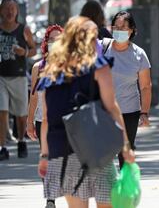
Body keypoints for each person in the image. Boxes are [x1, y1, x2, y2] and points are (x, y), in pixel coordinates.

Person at [36, 16, 135, 208]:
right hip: (96, 145)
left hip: (62, 149)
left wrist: (44, 156)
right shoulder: (98, 66)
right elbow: (112, 107)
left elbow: (46, 118)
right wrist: (125, 145)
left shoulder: (50, 73)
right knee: (107, 204)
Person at [104, 11, 151, 169]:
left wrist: (144, 112)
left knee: (126, 154)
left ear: (132, 30)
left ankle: (124, 190)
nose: (119, 30)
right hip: (105, 110)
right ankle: (108, 189)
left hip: (129, 112)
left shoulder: (139, 54)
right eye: (116, 27)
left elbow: (145, 86)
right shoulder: (102, 48)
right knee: (105, 154)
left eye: (123, 27)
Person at [26, 24, 63, 208]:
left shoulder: (70, 65)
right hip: (43, 121)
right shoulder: (37, 67)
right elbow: (33, 96)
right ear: (45, 43)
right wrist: (29, 121)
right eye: (51, 40)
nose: (54, 43)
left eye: (58, 40)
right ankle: (50, 199)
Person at [0, 0, 36, 160]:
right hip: (1, 77)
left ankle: (21, 140)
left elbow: (34, 49)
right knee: (2, 111)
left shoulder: (24, 29)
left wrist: (25, 52)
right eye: (6, 8)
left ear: (17, 11)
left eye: (12, 8)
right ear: (1, 11)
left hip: (19, 76)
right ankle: (3, 147)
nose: (9, 12)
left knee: (21, 114)